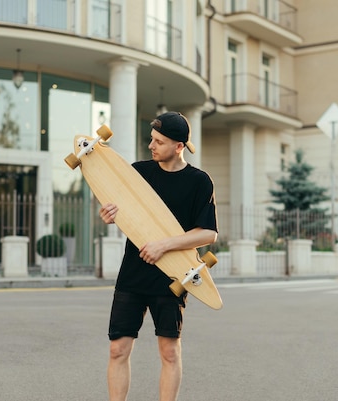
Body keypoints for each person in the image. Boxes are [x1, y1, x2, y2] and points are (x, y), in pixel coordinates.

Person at [99, 111, 218, 401]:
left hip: (172, 274)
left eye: (159, 142)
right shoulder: (138, 172)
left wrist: (164, 245)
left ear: (179, 146)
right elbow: (118, 207)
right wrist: (108, 215)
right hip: (133, 274)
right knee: (118, 349)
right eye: (151, 139)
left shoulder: (199, 181)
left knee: (168, 351)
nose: (151, 146)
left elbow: (208, 234)